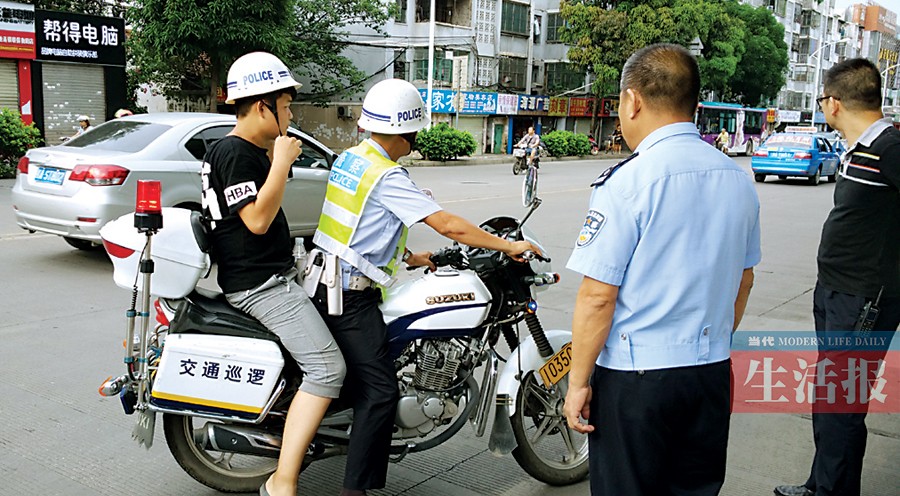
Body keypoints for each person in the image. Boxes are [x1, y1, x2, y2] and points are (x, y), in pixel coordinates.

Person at [309, 78, 540, 496]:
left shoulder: (353, 158)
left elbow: (361, 229)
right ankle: (353, 491)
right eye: (414, 132)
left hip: (333, 280)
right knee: (380, 392)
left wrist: (415, 259)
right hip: (347, 295)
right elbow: (448, 223)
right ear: (404, 131)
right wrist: (509, 244)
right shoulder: (387, 175)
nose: (415, 141)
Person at [562, 43, 760, 496]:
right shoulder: (737, 179)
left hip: (638, 380)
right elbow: (744, 280)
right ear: (695, 103)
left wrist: (577, 384)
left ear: (632, 101)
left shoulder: (628, 182)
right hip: (710, 373)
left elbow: (597, 297)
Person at [200, 51, 346, 496]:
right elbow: (257, 220)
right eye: (285, 105)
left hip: (272, 275)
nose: (290, 115)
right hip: (259, 287)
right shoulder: (235, 152)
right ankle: (282, 482)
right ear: (262, 106)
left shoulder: (242, 151)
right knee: (327, 369)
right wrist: (282, 160)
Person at [774, 58, 900, 496]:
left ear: (833, 102)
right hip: (835, 292)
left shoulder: (890, 148)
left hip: (864, 298)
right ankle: (822, 484)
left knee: (841, 403)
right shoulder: (859, 148)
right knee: (832, 398)